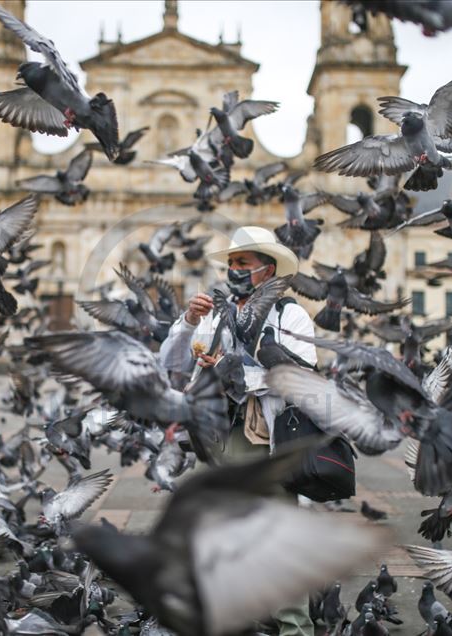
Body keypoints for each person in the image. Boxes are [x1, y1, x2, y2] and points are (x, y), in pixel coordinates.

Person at [158, 225, 318, 636]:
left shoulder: (290, 314)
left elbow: (300, 374)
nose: (233, 270)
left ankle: (293, 627)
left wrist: (236, 374)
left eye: (242, 263)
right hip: (216, 441)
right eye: (230, 263)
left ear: (267, 270)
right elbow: (174, 364)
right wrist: (189, 321)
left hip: (266, 436)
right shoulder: (215, 311)